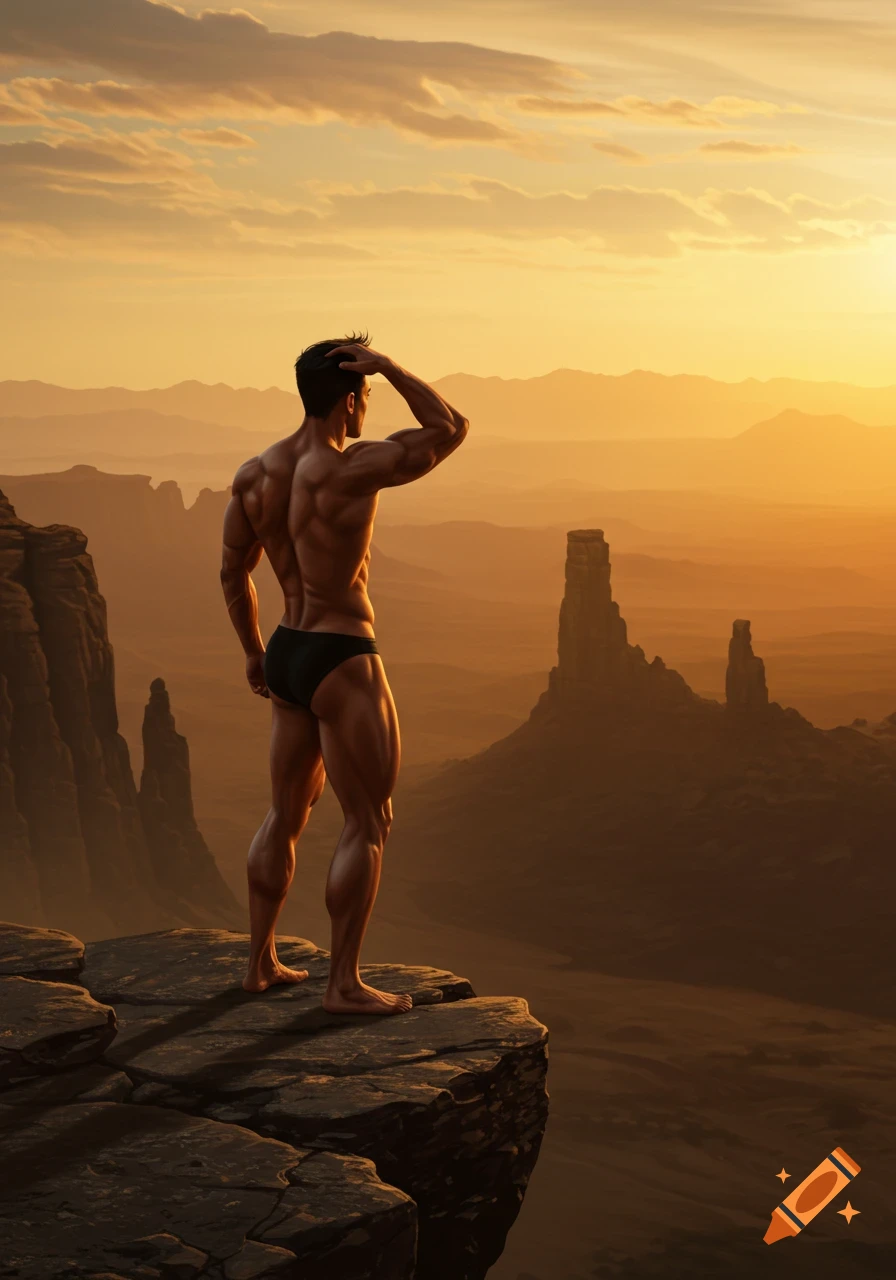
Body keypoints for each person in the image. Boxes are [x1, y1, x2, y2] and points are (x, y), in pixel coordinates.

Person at [220, 333, 469, 1013]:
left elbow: (232, 571)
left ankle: (260, 963)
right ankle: (344, 985)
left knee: (284, 812)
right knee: (369, 821)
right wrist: (389, 365)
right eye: (366, 393)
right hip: (342, 655)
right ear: (353, 398)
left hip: (288, 650)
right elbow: (450, 428)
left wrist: (252, 653)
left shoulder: (254, 474)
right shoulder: (351, 468)